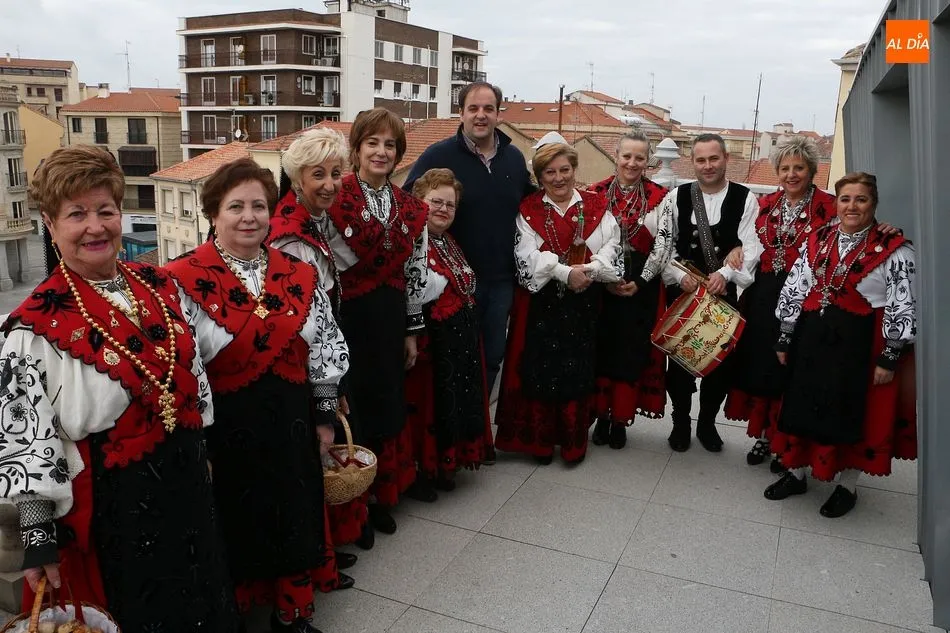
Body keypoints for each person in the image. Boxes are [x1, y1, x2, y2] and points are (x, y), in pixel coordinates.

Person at [0, 145, 238, 631]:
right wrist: (38, 537)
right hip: (117, 511)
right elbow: (26, 439)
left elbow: (193, 372)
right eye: (77, 214)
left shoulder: (159, 285)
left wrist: (203, 449)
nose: (96, 227)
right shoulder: (33, 327)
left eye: (105, 210)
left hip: (187, 486)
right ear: (50, 224)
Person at [166, 158, 349, 633]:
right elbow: (180, 367)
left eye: (259, 206)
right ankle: (238, 614)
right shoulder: (180, 279)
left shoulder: (299, 273)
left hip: (291, 422)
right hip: (225, 429)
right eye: (236, 207)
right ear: (213, 213)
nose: (249, 217)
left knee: (293, 511)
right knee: (233, 519)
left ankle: (291, 612)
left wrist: (324, 416)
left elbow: (325, 344)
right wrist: (196, 443)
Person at [763, 172, 916, 518]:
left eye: (861, 199)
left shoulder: (895, 250)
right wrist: (785, 335)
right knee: (801, 404)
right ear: (836, 203)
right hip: (812, 340)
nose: (852, 206)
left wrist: (889, 357)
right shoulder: (818, 238)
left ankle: (847, 486)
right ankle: (796, 474)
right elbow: (796, 287)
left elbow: (903, 303)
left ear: (874, 203)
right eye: (845, 199)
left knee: (855, 416)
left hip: (858, 348)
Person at [326, 107, 429, 534]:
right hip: (347, 319)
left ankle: (382, 495)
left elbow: (416, 271)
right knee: (353, 408)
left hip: (389, 319)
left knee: (386, 404)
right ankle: (354, 509)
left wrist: (411, 331)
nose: (381, 152)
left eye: (389, 144)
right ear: (357, 149)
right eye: (372, 143)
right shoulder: (335, 197)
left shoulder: (411, 208)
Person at [268, 128, 371, 554]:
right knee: (319, 443)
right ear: (297, 179)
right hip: (304, 360)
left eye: (335, 174)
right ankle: (318, 550)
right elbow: (306, 320)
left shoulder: (315, 220)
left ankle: (330, 541)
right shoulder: (289, 236)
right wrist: (327, 389)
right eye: (318, 175)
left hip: (323, 350)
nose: (330, 184)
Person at [403, 82, 535, 410]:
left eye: (488, 109)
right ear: (461, 113)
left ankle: (478, 428)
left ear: (498, 114)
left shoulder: (514, 158)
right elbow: (408, 204)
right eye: (473, 108)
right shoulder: (438, 155)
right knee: (452, 360)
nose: (481, 115)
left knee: (492, 359)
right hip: (452, 284)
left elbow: (534, 206)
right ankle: (451, 430)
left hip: (501, 281)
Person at [494, 142, 622, 465]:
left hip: (584, 302)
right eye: (550, 172)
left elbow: (612, 245)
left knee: (577, 371)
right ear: (539, 177)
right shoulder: (529, 210)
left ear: (574, 170)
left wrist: (590, 270)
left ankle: (572, 444)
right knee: (541, 370)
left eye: (565, 170)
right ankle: (540, 444)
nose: (559, 177)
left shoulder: (596, 205)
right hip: (542, 304)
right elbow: (526, 256)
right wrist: (566, 273)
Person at [722, 137, 838, 468]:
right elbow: (744, 239)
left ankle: (787, 444)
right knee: (764, 367)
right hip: (764, 295)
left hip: (805, 299)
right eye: (785, 168)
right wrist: (735, 248)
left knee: (794, 370)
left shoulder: (830, 207)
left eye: (799, 167)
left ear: (812, 170)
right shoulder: (764, 203)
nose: (791, 174)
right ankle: (764, 437)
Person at [660, 133, 760, 453]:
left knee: (720, 367)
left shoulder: (746, 198)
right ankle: (680, 422)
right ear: (692, 162)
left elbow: (751, 247)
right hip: (685, 295)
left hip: (723, 296)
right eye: (701, 160)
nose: (708, 166)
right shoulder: (676, 197)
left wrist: (725, 274)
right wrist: (679, 276)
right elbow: (663, 245)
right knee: (680, 364)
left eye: (714, 158)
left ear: (726, 158)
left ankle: (706, 423)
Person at [405, 168, 493, 491]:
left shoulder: (448, 240)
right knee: (432, 406)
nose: (443, 209)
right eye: (436, 202)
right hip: (433, 343)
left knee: (454, 404)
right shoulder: (414, 240)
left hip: (460, 343)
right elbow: (420, 291)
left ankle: (447, 464)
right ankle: (427, 470)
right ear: (420, 201)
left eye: (450, 205)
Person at [586, 130, 673, 449]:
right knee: (602, 350)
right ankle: (601, 416)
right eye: (627, 156)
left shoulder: (661, 197)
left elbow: (664, 245)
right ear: (616, 156)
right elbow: (588, 239)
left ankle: (620, 419)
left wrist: (642, 280)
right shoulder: (595, 192)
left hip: (641, 287)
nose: (632, 163)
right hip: (603, 284)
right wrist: (606, 279)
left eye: (639, 157)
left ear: (648, 161)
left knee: (630, 353)